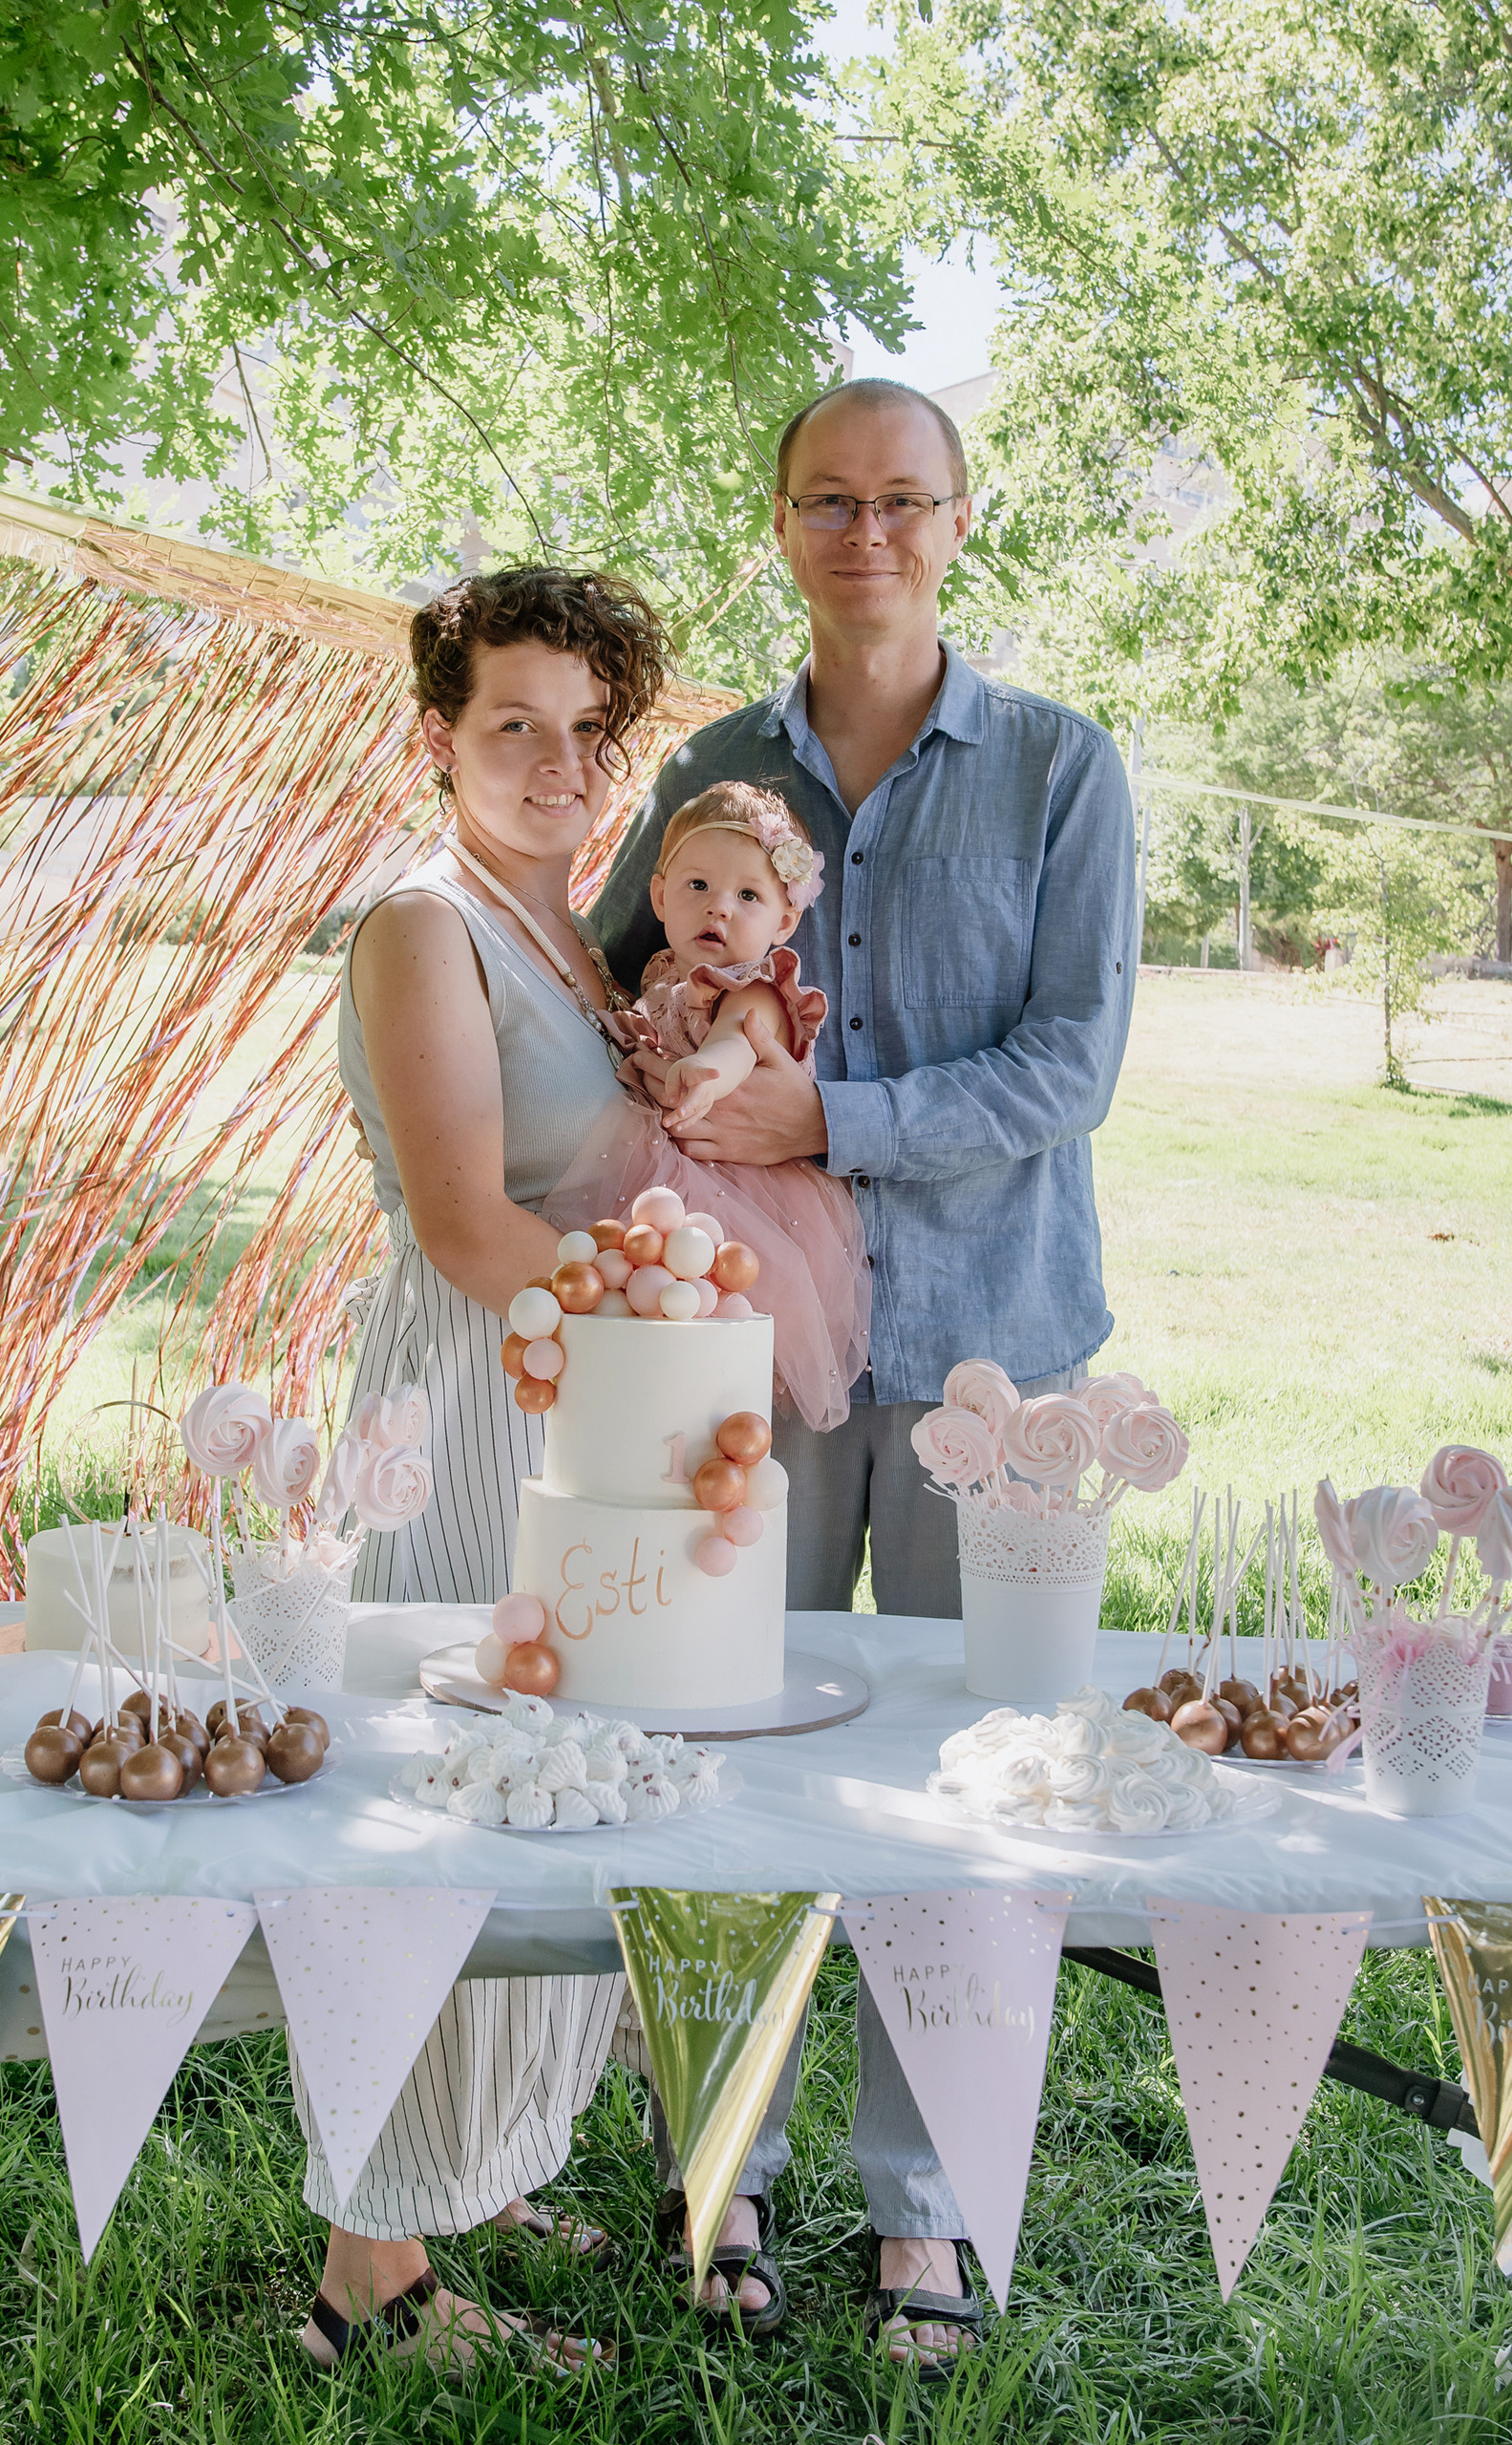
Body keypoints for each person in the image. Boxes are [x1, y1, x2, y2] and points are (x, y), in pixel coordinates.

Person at [590, 376, 1140, 2370]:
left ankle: (920, 2204)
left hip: (989, 1344)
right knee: (701, 1735)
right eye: (827, 497)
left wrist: (826, 1112)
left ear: (960, 518)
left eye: (901, 497)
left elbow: (1070, 1062)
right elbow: (601, 988)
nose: (866, 531)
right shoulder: (711, 771)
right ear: (778, 523)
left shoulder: (1062, 769)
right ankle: (717, 2163)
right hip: (725, 1337)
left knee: (977, 1772)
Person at [301, 563, 671, 2375]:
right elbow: (463, 1223)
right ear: (436, 737)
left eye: (589, 731)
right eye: (511, 725)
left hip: (592, 1396)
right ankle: (369, 2265)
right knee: (452, 1802)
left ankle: (492, 2160)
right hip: (474, 1395)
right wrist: (689, 1302)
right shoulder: (419, 922)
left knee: (572, 1783)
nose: (554, 763)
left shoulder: (580, 935)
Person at [544, 778, 870, 1429]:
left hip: (742, 1189)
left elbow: (736, 1049)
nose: (718, 909)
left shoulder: (755, 990)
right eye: (698, 888)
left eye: (747, 896)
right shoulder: (664, 973)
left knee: (707, 1309)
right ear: (660, 895)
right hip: (677, 1169)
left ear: (784, 920)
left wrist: (702, 1073)